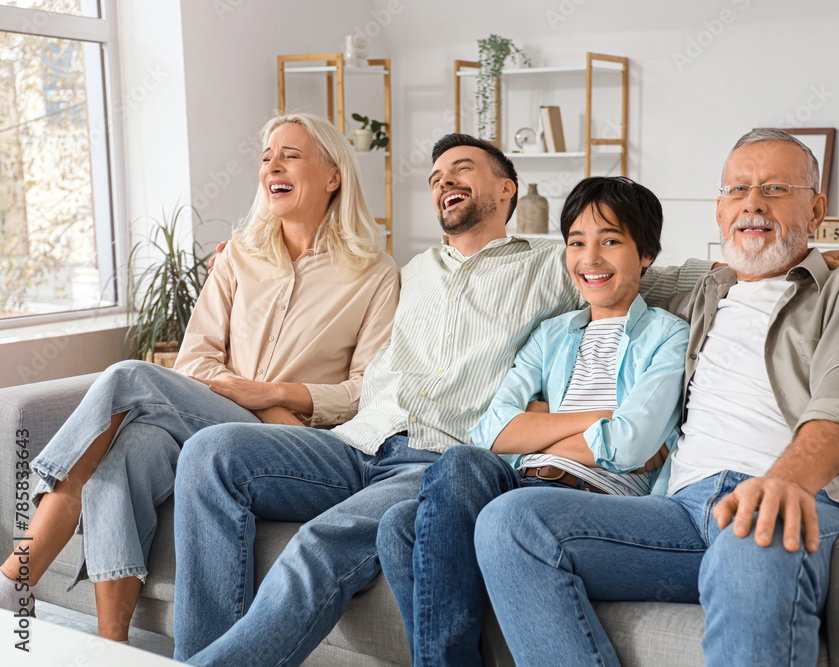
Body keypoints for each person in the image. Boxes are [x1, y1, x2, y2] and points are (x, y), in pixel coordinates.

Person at [170, 135, 714, 666]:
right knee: (211, 453)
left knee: (317, 546)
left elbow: (638, 277)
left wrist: (752, 274)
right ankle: (190, 657)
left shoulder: (552, 264)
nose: (443, 181)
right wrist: (245, 258)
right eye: (435, 178)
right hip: (357, 440)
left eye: (461, 170)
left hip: (436, 459)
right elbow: (341, 320)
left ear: (506, 189)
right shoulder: (411, 272)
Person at [474, 128, 839, 666]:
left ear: (816, 211)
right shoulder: (702, 293)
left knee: (756, 532)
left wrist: (784, 483)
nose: (753, 204)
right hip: (678, 512)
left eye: (776, 189)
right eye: (737, 191)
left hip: (791, 497)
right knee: (510, 522)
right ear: (719, 211)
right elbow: (610, 269)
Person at [0, 112, 398, 642]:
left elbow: (366, 393)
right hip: (224, 420)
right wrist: (251, 400)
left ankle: (16, 572)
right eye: (266, 157)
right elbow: (195, 361)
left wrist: (271, 394)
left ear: (333, 175)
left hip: (298, 447)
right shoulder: (239, 259)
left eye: (290, 155)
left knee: (126, 375)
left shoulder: (375, 273)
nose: (271, 166)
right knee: (126, 453)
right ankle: (113, 645)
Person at [375, 176, 690, 666]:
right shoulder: (552, 335)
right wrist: (601, 417)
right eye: (577, 243)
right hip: (525, 481)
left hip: (601, 497)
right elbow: (490, 431)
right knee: (410, 513)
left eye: (611, 241)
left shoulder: (668, 336)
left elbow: (630, 448)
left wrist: (541, 425)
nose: (591, 259)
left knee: (411, 523)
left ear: (645, 253)